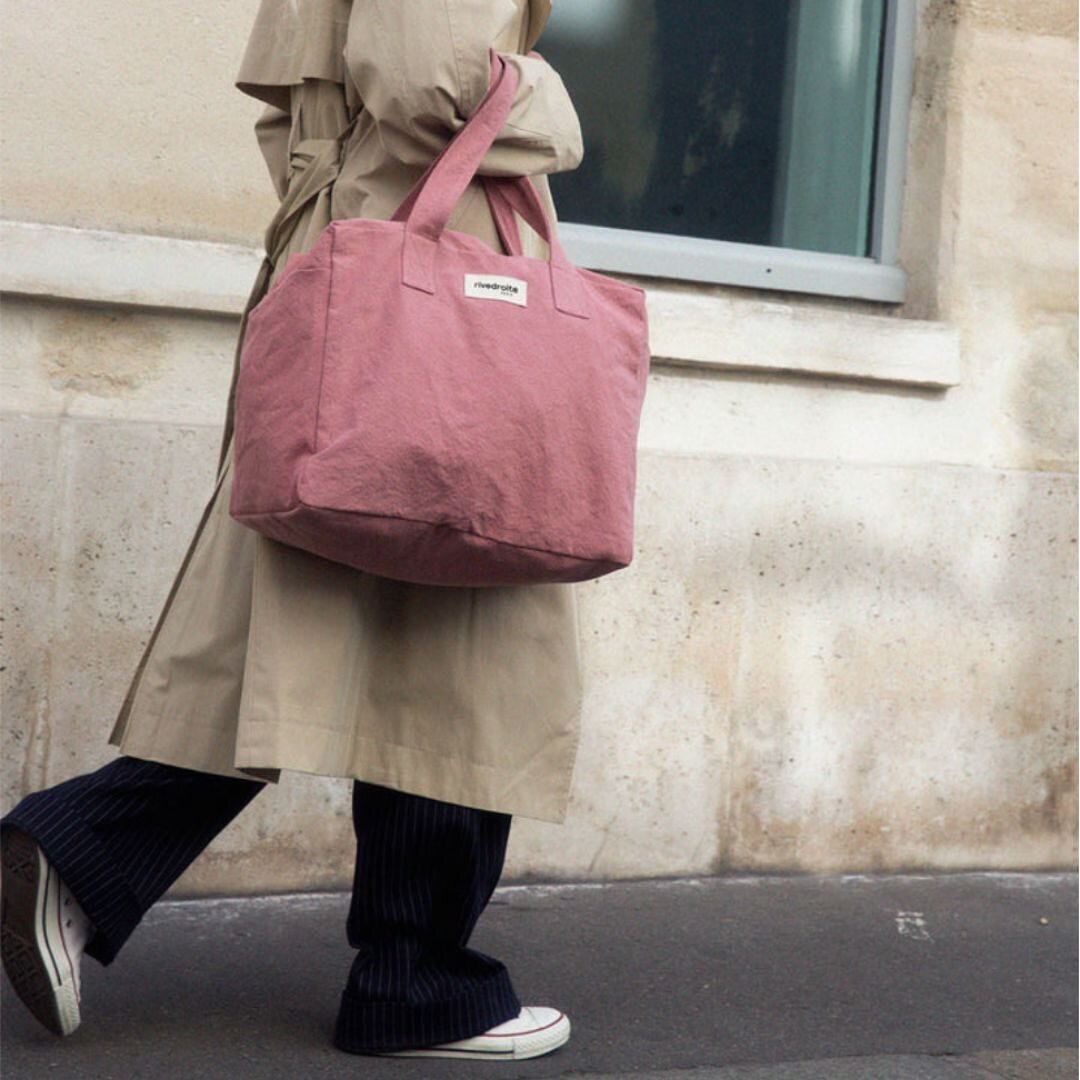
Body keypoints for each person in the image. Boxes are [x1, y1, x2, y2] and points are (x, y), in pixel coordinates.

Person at [1, 0, 586, 1061]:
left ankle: (85, 854)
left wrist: (340, 213)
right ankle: (415, 981)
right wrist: (552, 99)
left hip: (356, 260)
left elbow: (296, 113)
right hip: (445, 274)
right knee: (471, 624)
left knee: (314, 618)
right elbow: (434, 80)